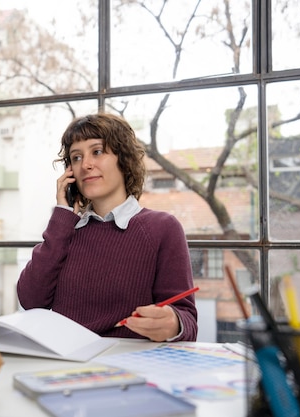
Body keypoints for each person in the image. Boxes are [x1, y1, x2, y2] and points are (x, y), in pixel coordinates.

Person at [17, 113, 198, 342]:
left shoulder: (162, 228)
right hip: (64, 364)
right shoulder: (64, 231)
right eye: (76, 157)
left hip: (130, 367)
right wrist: (62, 216)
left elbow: (188, 321)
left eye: (97, 151)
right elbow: (31, 300)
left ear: (123, 158)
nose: (86, 165)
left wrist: (173, 323)